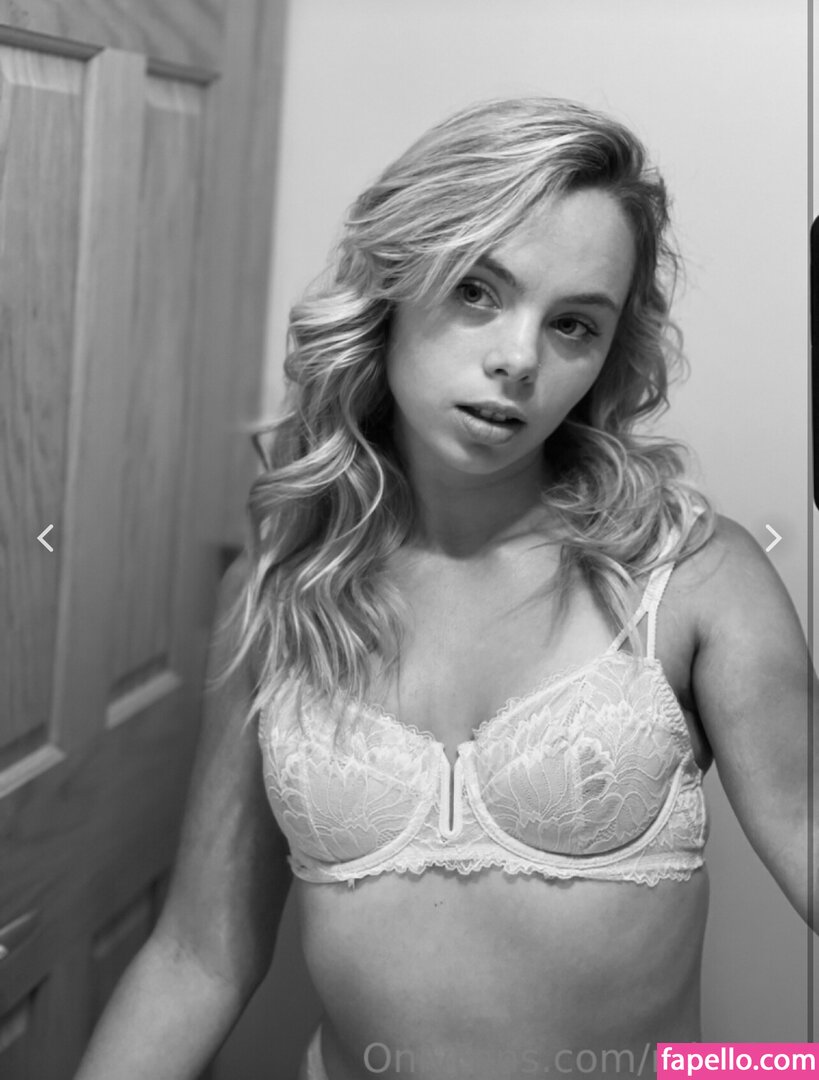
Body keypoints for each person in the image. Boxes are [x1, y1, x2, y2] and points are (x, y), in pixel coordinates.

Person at [75, 98, 815, 1080]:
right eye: (477, 290)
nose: (518, 358)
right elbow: (197, 957)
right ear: (393, 284)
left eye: (573, 325)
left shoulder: (691, 579)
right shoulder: (280, 591)